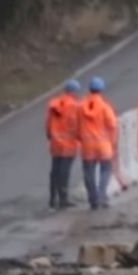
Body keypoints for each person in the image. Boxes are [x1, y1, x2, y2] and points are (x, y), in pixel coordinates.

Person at [79, 77, 119, 211]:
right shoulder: (104, 106)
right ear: (101, 90)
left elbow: (75, 125)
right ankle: (102, 196)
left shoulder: (80, 106)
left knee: (88, 173)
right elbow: (112, 125)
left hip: (87, 146)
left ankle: (93, 200)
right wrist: (112, 141)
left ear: (90, 89)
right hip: (103, 145)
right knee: (105, 171)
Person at [45, 80, 83, 209]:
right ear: (74, 91)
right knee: (64, 172)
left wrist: (50, 136)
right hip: (69, 144)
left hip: (56, 143)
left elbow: (48, 125)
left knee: (55, 171)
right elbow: (77, 125)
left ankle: (52, 198)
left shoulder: (54, 104)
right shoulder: (75, 106)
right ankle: (63, 198)